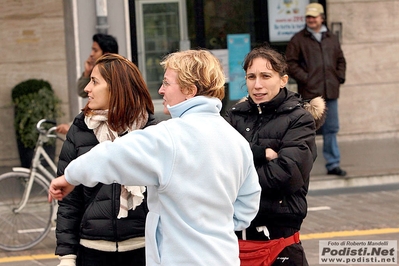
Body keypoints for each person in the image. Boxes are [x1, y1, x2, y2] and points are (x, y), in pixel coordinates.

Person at [49, 49, 261, 266]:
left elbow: (112, 155)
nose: (161, 90)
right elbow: (248, 205)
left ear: (189, 90)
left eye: (167, 83)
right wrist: (213, 226)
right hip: (224, 257)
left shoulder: (168, 137)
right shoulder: (236, 141)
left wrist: (69, 177)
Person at [225, 44, 326, 265]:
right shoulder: (234, 116)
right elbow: (213, 162)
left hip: (280, 242)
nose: (257, 84)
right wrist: (261, 153)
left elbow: (287, 175)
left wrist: (234, 178)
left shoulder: (300, 119)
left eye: (266, 76)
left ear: (283, 79)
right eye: (251, 77)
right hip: (234, 243)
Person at [55, 53, 156, 266]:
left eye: (94, 82)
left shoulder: (152, 131)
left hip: (144, 249)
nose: (86, 89)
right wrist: (67, 255)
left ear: (115, 87)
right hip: (92, 251)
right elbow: (69, 200)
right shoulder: (81, 129)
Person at [285, 3, 347, 177]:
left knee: (331, 128)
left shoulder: (331, 38)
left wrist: (338, 77)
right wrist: (307, 79)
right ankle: (303, 165)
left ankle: (333, 164)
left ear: (322, 18)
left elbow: (341, 60)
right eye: (308, 17)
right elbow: (290, 63)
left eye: (314, 16)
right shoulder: (298, 39)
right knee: (306, 129)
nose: (311, 20)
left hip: (330, 92)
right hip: (310, 94)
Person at [56, 33, 119, 134]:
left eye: (95, 50)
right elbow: (82, 92)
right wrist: (87, 72)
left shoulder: (118, 75)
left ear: (106, 53)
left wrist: (73, 128)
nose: (91, 54)